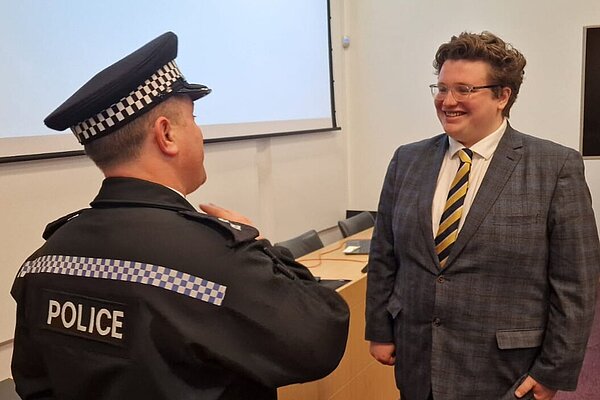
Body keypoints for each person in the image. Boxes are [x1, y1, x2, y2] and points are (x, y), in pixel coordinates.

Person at [11, 31, 349, 400]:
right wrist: (260, 246)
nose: (200, 134)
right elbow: (322, 335)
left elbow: (35, 387)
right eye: (194, 118)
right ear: (166, 134)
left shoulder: (41, 266)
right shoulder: (214, 261)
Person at [365, 31, 600, 400]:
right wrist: (379, 329)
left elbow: (577, 284)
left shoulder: (554, 166)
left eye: (464, 90)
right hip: (417, 360)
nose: (448, 101)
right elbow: (384, 254)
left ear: (502, 96)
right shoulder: (407, 161)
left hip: (506, 371)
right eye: (441, 88)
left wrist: (553, 371)